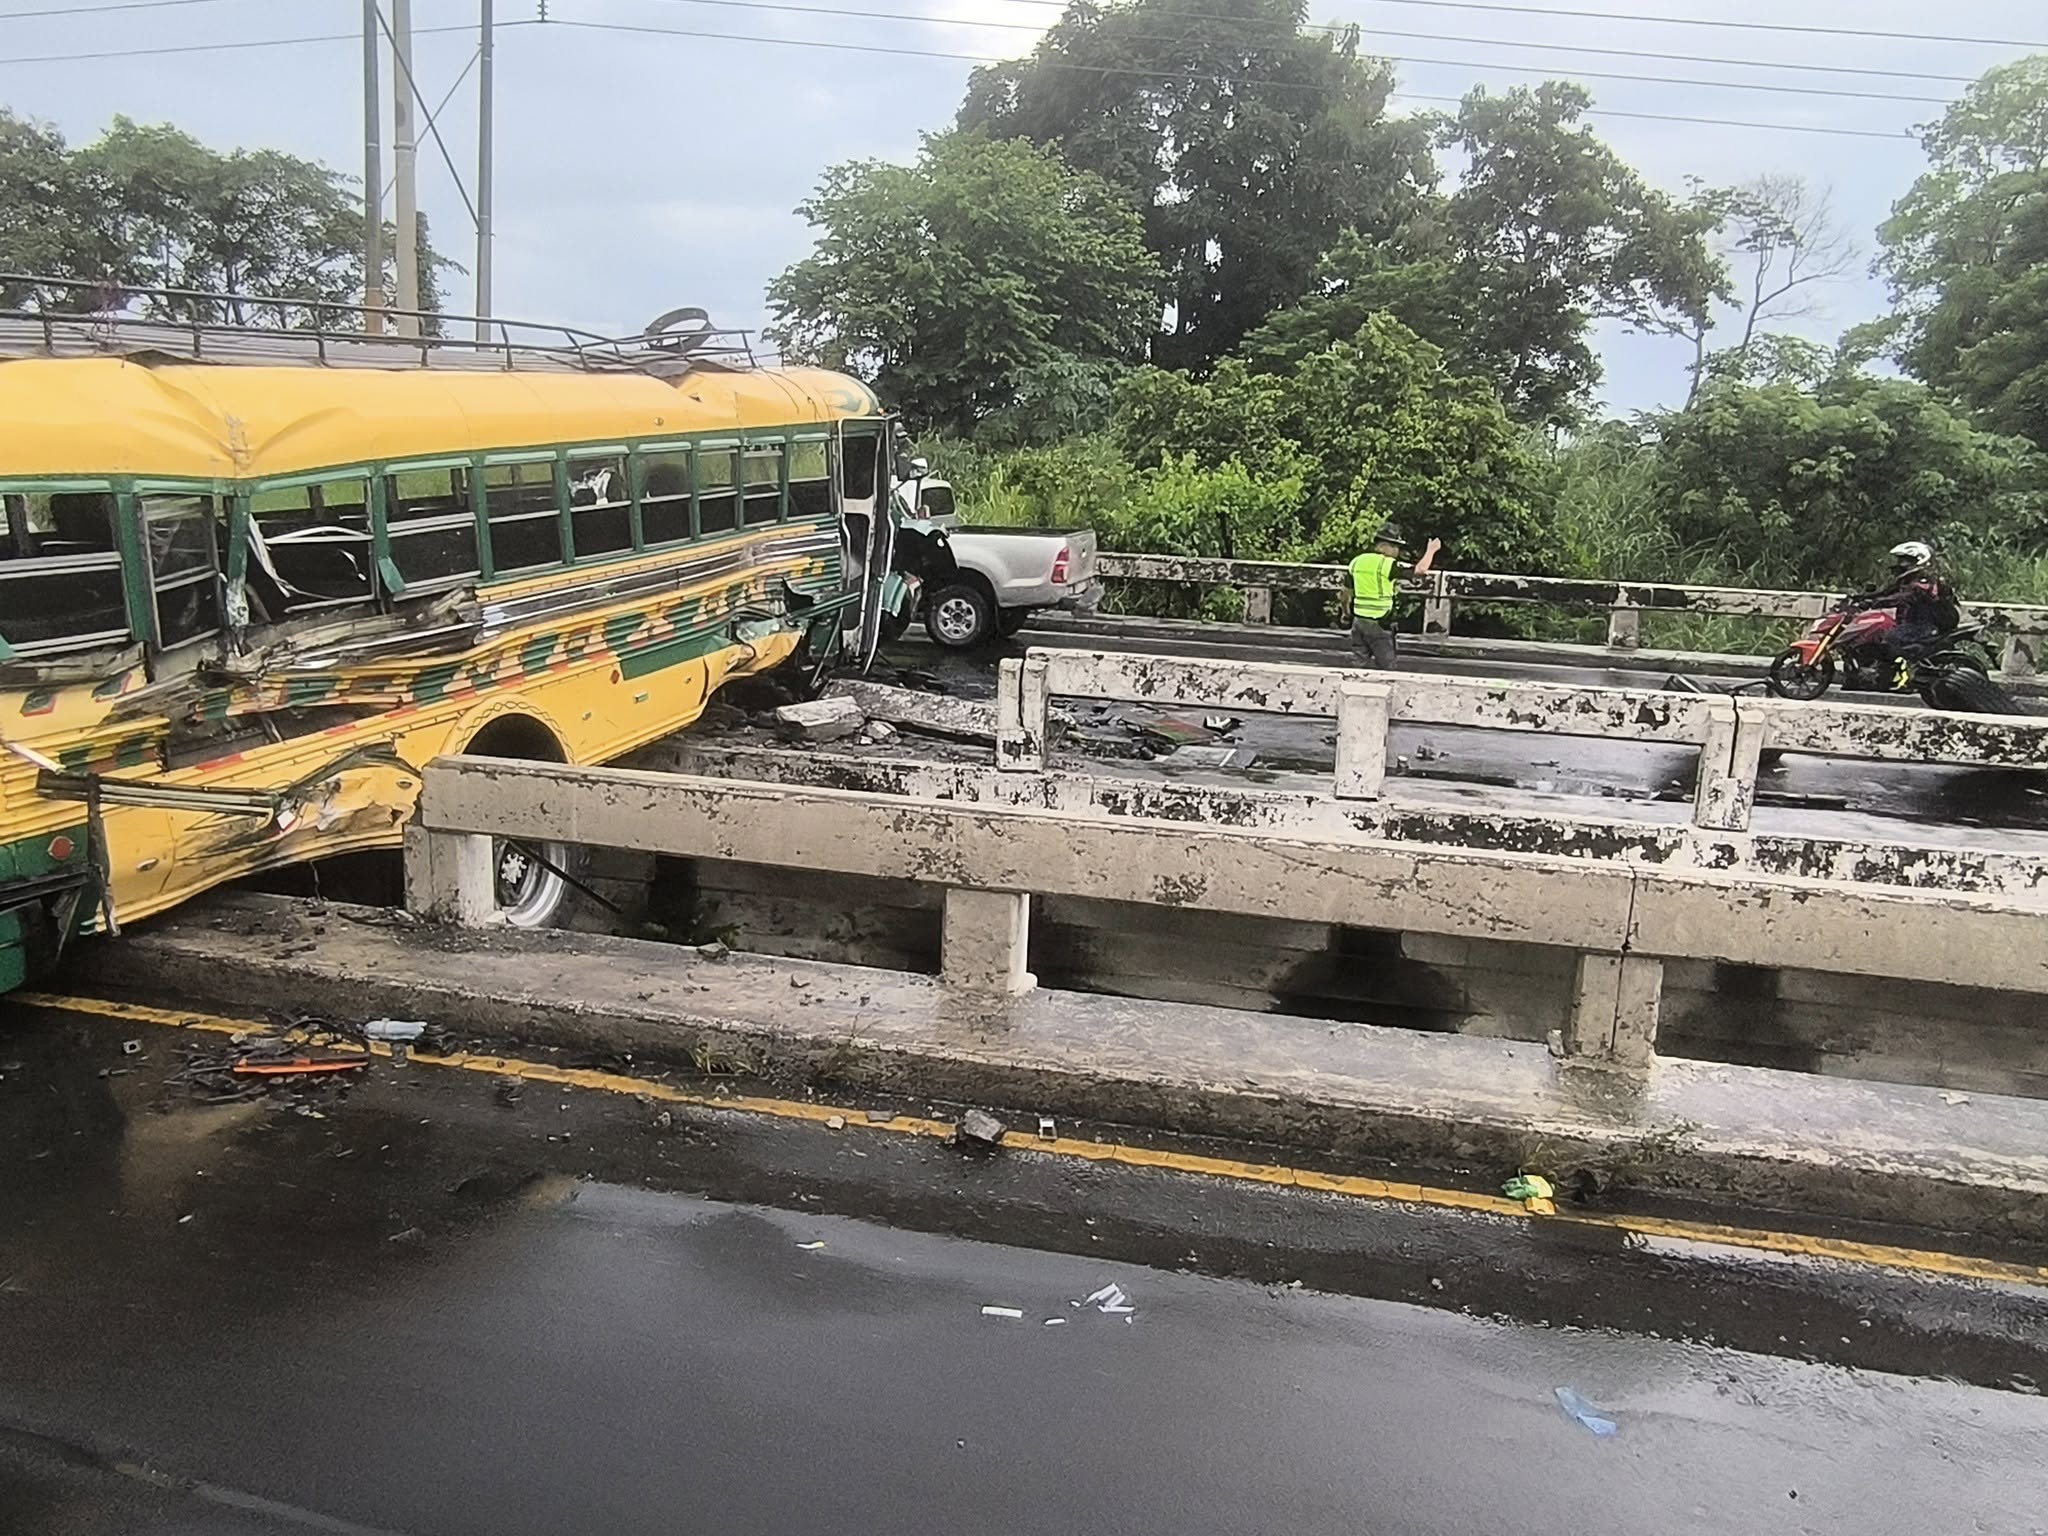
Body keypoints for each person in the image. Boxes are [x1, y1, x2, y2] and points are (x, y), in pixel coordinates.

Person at [1853, 540, 1961, 688]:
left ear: (1919, 560)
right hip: (1915, 623)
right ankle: (1880, 675)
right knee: (1881, 637)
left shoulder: (1926, 579)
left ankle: (1904, 680)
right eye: (1901, 559)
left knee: (1892, 638)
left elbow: (1906, 596)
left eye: (1906, 560)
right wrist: (1862, 598)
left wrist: (1874, 604)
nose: (1901, 563)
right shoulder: (1908, 578)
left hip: (1929, 624)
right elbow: (1887, 592)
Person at [1347, 525, 1441, 669]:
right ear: (1384, 546)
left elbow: (1345, 592)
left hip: (1359, 621)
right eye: (1395, 547)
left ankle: (1353, 689)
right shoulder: (1387, 564)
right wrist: (1431, 550)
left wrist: (1346, 612)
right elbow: (1420, 570)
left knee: (1358, 664)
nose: (1397, 551)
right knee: (1387, 666)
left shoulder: (1357, 561)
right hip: (1379, 621)